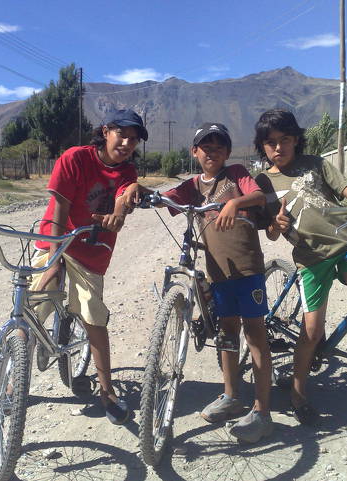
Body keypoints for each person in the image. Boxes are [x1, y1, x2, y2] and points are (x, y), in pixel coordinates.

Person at [129, 123, 274, 443]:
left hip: (247, 268)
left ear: (227, 151)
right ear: (194, 152)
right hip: (218, 273)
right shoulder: (193, 184)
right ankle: (231, 395)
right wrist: (140, 191)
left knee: (255, 335)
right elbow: (167, 197)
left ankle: (263, 412)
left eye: (219, 145)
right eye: (205, 146)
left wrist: (235, 203)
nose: (212, 151)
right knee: (226, 332)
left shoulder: (235, 173)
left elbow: (258, 195)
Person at [253, 108, 347, 425]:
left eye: (285, 139)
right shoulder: (262, 182)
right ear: (262, 146)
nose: (278, 147)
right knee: (312, 331)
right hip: (312, 255)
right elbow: (271, 232)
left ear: (296, 139)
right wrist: (277, 223)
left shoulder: (316, 164)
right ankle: (298, 393)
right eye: (270, 142)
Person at [29, 109, 148, 425]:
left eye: (133, 139)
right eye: (121, 134)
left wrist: (120, 213)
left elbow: (123, 200)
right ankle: (17, 379)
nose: (126, 142)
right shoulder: (74, 159)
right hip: (57, 239)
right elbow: (58, 210)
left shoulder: (127, 172)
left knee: (93, 315)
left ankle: (107, 392)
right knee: (35, 301)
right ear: (106, 131)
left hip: (92, 251)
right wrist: (54, 260)